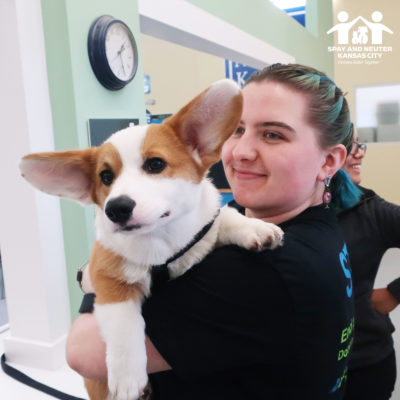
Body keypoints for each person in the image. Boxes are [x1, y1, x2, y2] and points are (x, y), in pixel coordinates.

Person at [66, 63, 357, 399]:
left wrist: (96, 276)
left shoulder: (269, 266)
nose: (241, 152)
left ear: (329, 161)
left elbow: (85, 351)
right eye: (237, 130)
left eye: (273, 134)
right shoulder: (314, 228)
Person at [338, 136, 400, 400]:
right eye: (349, 145)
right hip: (294, 371)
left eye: (359, 144)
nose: (359, 154)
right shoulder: (265, 213)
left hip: (363, 367)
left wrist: (395, 293)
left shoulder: (370, 211)